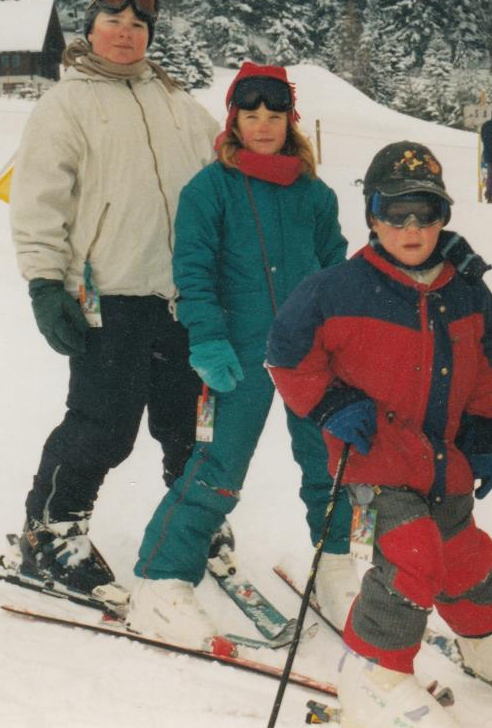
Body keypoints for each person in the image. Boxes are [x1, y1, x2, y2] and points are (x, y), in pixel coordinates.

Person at [267, 142, 492, 727]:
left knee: (464, 555)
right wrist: (332, 404)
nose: (412, 227)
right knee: (411, 555)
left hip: (444, 459)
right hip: (373, 458)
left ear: (444, 216)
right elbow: (287, 357)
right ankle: (376, 670)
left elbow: (489, 368)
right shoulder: (335, 289)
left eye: (425, 211)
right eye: (396, 212)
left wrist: (484, 432)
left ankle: (484, 642)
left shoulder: (468, 290)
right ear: (371, 215)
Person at [126, 62, 359, 647]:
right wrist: (205, 338)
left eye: (274, 114)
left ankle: (333, 570)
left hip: (309, 356)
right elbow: (194, 272)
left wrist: (347, 348)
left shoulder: (315, 195)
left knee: (328, 465)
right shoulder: (210, 190)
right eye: (250, 113)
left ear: (290, 121)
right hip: (237, 350)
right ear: (233, 119)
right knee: (219, 469)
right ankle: (160, 582)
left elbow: (336, 275)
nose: (262, 124)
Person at [8, 0, 220, 606]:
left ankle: (191, 520)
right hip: (108, 298)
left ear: (150, 35)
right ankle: (50, 534)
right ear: (90, 27)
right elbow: (39, 200)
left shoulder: (181, 105)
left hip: (182, 298)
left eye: (138, 25)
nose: (125, 33)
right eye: (113, 22)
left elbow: (228, 173)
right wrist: (46, 284)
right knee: (103, 426)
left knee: (189, 425)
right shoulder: (64, 106)